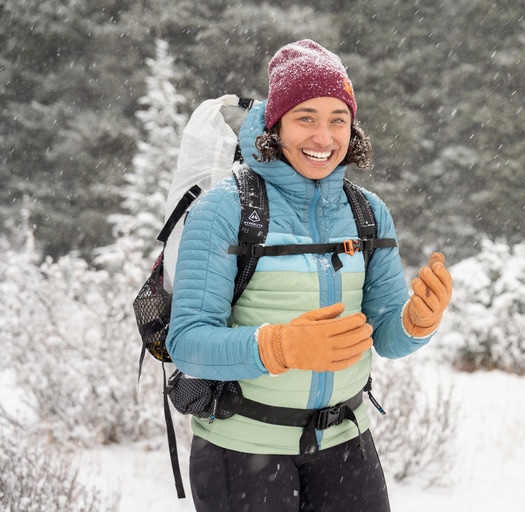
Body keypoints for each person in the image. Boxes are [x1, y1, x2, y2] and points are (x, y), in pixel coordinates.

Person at [167, 39, 452, 512]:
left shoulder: (367, 213)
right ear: (275, 124)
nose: (324, 138)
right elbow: (188, 343)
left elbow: (385, 337)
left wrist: (416, 322)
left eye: (338, 120)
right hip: (243, 450)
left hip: (346, 444)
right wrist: (281, 347)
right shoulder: (225, 209)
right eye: (305, 118)